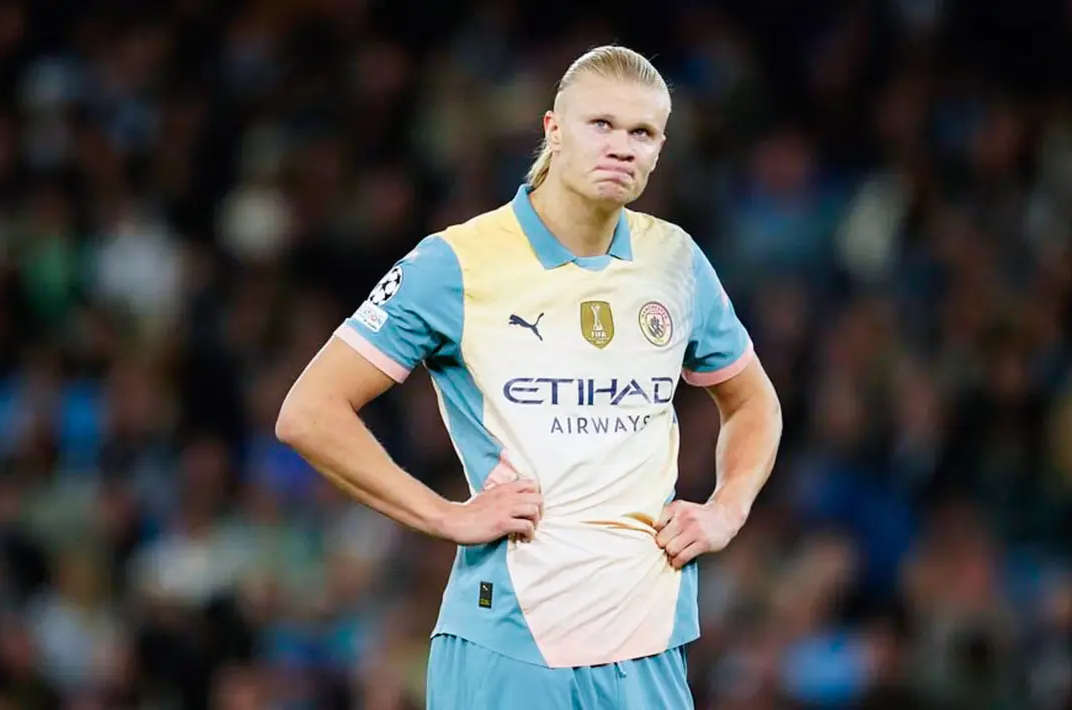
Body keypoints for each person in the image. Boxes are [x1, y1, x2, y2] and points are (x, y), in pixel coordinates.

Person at [275, 44, 783, 709]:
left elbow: (752, 404)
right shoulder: (455, 261)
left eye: (642, 133)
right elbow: (309, 412)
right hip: (510, 644)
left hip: (647, 646)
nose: (622, 147)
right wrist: (442, 515)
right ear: (552, 129)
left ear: (660, 149)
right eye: (600, 124)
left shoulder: (675, 260)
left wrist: (726, 509)